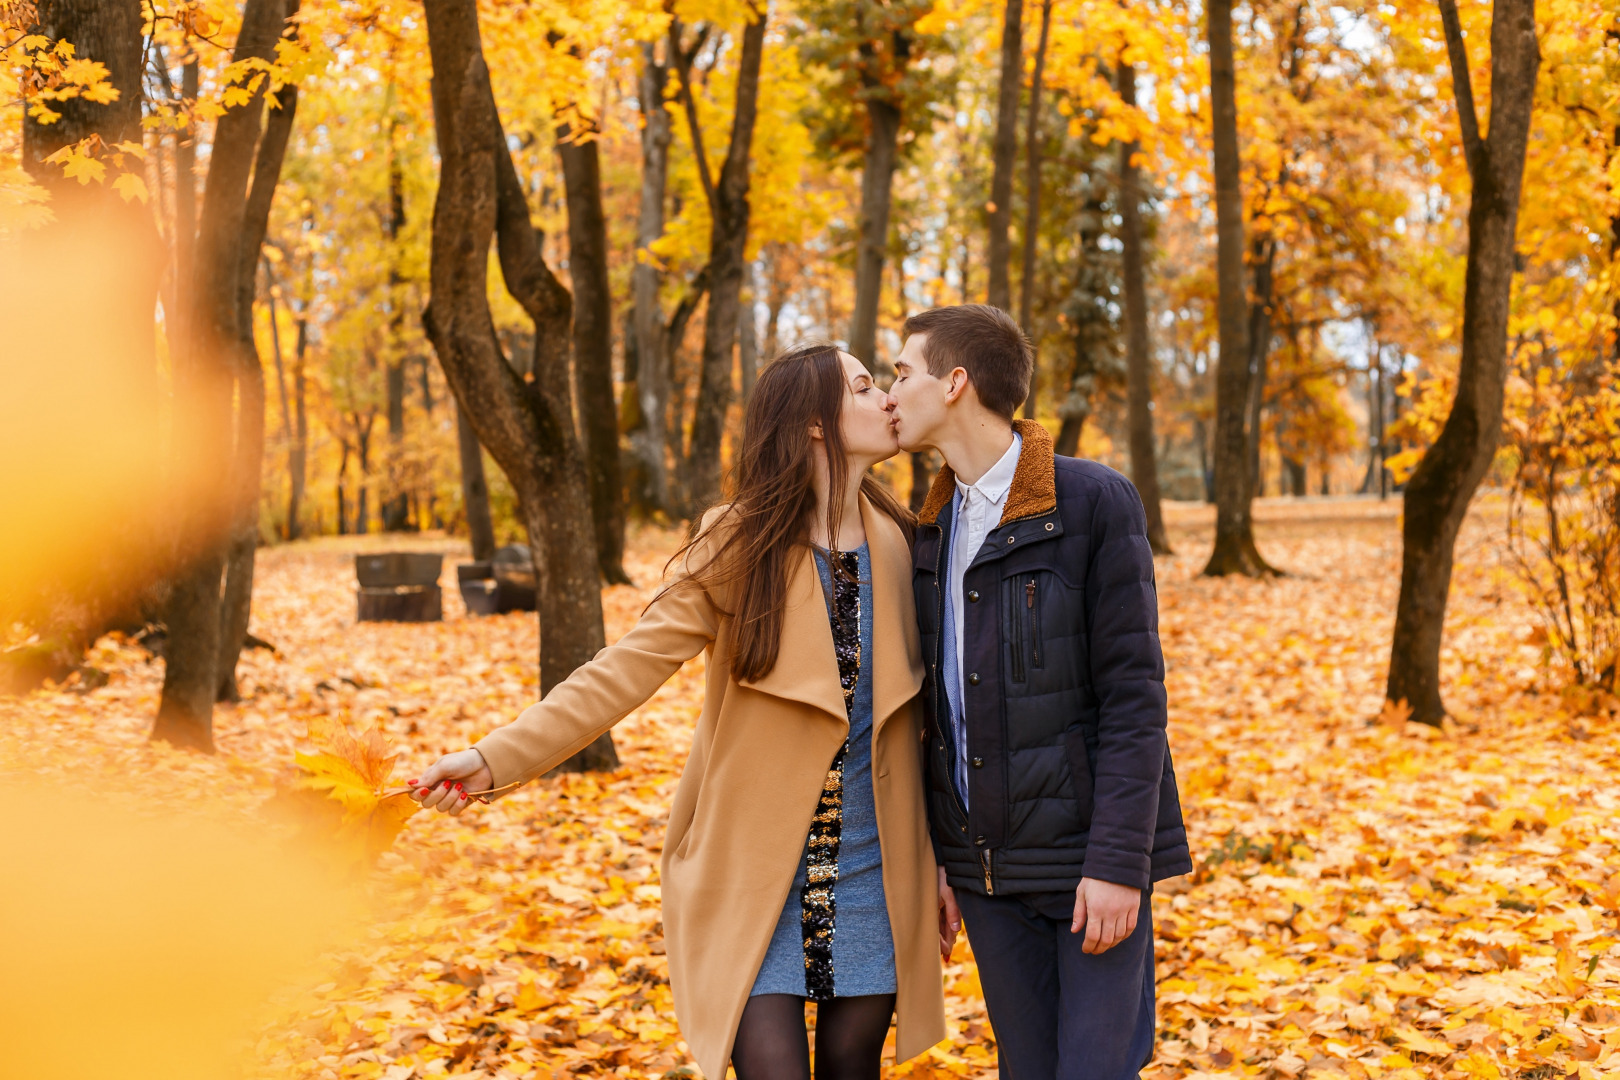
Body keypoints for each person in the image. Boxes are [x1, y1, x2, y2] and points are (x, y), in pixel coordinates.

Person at [409, 343, 949, 1080]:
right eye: (863, 386)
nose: (886, 398)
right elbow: (621, 671)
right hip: (751, 874)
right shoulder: (737, 540)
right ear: (816, 424)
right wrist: (493, 759)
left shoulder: (904, 540)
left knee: (853, 1067)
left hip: (872, 877)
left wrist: (946, 866)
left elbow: (944, 721)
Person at [887, 304, 1193, 1080]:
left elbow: (1135, 698)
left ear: (955, 382)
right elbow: (933, 715)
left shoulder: (1091, 501)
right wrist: (945, 862)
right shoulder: (926, 529)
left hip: (1088, 863)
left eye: (901, 372)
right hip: (987, 877)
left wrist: (1122, 865)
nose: (890, 392)